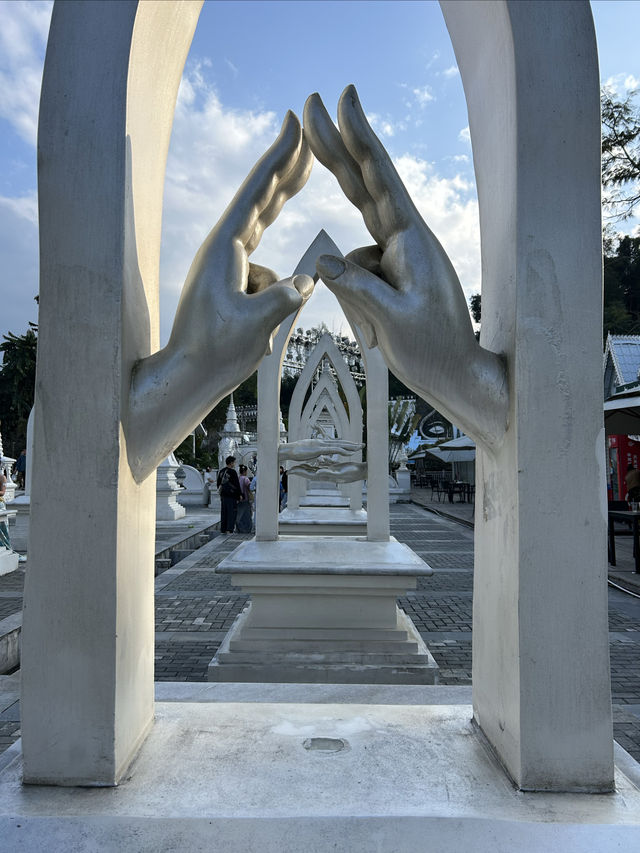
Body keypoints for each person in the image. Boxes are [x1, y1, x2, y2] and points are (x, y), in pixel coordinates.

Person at [217, 456, 241, 534]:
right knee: (231, 512)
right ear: (231, 463)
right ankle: (229, 529)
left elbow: (218, 483)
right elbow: (236, 484)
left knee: (224, 512)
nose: (234, 464)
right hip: (231, 495)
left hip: (223, 495)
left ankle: (223, 529)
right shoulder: (232, 472)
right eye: (234, 462)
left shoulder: (221, 471)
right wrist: (239, 495)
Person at [236, 464, 253, 533]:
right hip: (245, 498)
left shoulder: (238, 478)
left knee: (239, 514)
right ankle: (246, 529)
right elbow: (249, 486)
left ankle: (239, 528)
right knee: (247, 515)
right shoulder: (246, 478)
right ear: (245, 471)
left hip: (239, 498)